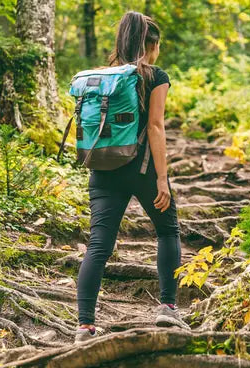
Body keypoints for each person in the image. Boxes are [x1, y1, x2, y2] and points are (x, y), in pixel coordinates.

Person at [75, 11, 189, 343]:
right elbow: (155, 126)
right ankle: (167, 308)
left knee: (98, 245)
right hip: (142, 169)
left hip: (103, 169)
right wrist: (161, 178)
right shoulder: (155, 76)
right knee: (168, 231)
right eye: (158, 46)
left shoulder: (104, 76)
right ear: (150, 44)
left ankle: (84, 326)